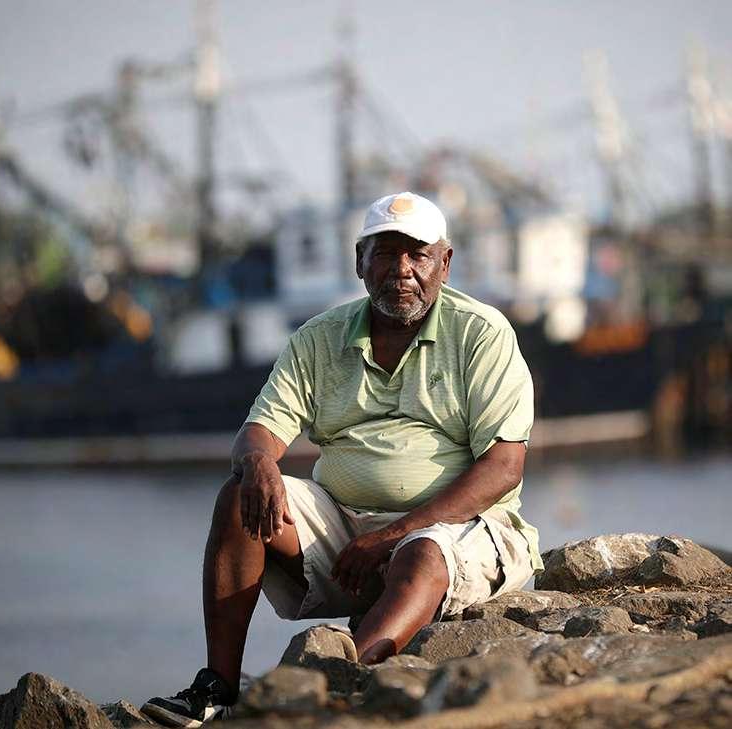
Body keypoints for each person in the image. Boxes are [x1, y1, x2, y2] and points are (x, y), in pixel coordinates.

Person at [141, 191, 543, 727]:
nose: (402, 269)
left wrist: (391, 536)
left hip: (457, 529)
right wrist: (258, 462)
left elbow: (503, 468)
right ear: (359, 261)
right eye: (386, 253)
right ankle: (217, 691)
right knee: (239, 497)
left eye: (418, 254)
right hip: (347, 533)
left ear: (445, 263)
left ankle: (343, 695)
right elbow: (259, 430)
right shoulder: (319, 337)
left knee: (423, 553)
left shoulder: (480, 333)